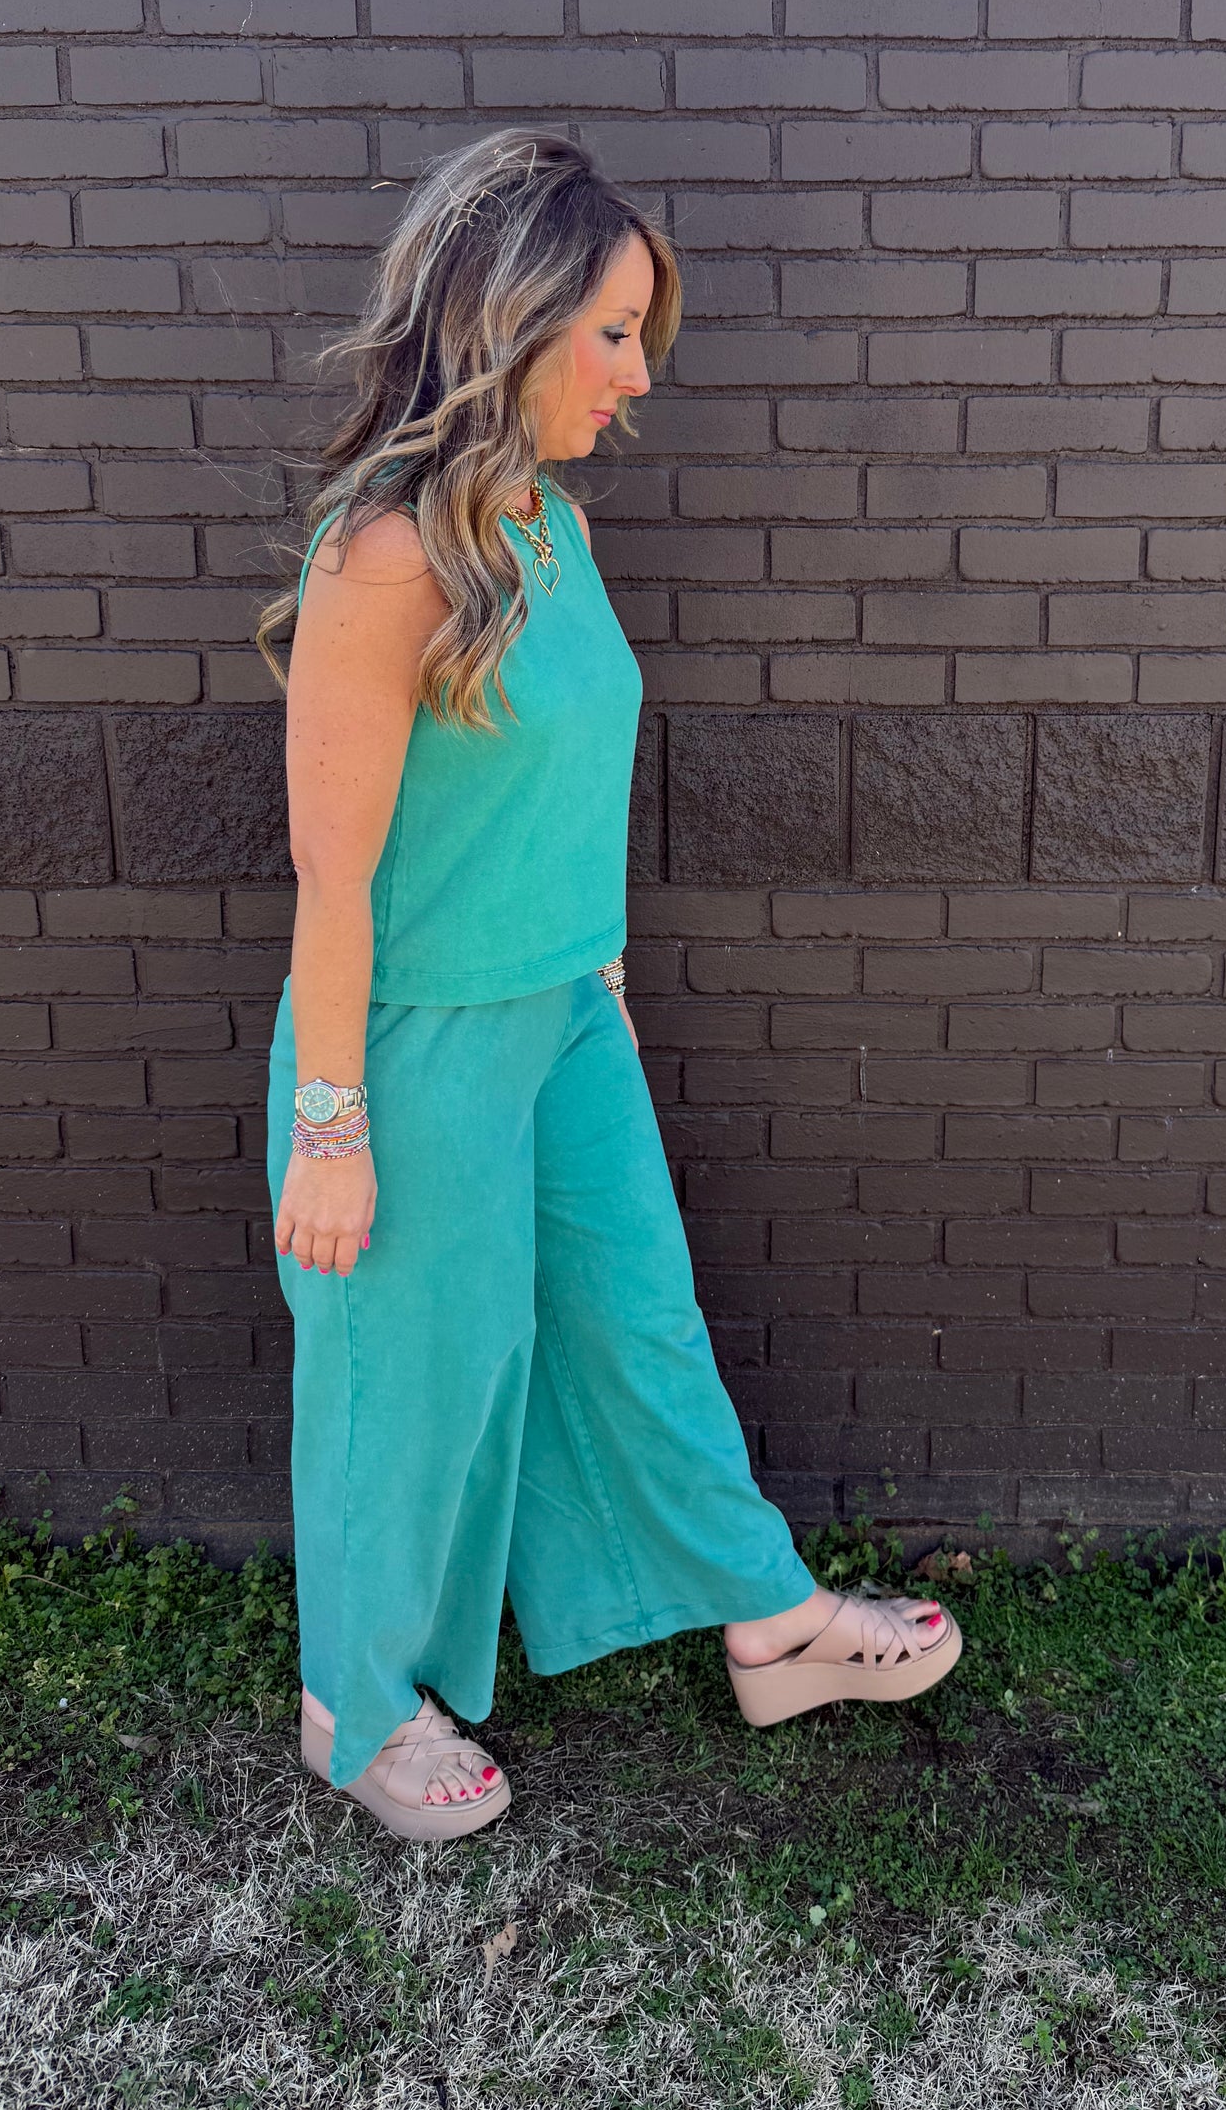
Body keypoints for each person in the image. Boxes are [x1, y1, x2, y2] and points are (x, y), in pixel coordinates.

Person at [256, 128, 960, 1841]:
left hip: (567, 1013)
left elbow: (564, 787)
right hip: (415, 1042)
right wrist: (331, 1125)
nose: (639, 375)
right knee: (410, 1378)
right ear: (510, 321)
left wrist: (608, 984)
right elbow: (332, 873)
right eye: (615, 333)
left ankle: (768, 1621)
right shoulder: (383, 557)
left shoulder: (547, 529)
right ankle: (355, 1704)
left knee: (638, 1319)